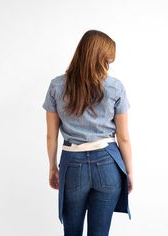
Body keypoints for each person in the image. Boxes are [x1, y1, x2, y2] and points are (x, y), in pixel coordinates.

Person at [42, 29, 133, 236]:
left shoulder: (57, 85)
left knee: (71, 232)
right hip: (108, 163)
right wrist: (129, 172)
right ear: (102, 58)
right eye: (108, 60)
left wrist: (52, 167)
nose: (108, 65)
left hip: (72, 164)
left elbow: (51, 135)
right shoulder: (115, 87)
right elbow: (124, 137)